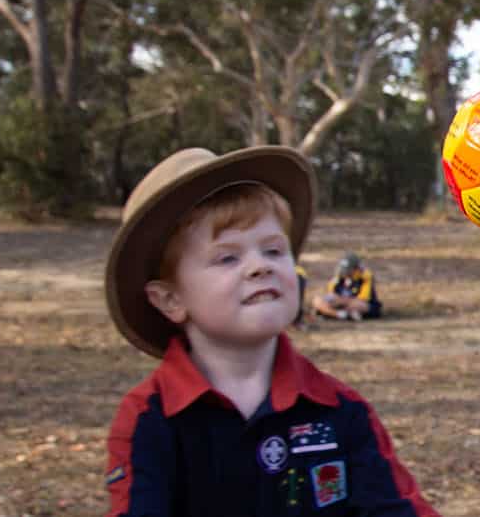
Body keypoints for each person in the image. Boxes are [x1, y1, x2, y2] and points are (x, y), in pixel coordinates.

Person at [102, 147, 434, 515]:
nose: (260, 267)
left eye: (274, 251)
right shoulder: (149, 421)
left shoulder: (341, 411)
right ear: (169, 299)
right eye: (228, 257)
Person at [313, 252, 382, 321]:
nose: (344, 272)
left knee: (356, 305)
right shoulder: (339, 277)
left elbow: (363, 299)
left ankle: (328, 313)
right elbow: (331, 294)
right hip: (341, 304)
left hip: (360, 304)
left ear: (355, 268)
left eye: (347, 270)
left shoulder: (364, 277)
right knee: (317, 300)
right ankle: (340, 315)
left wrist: (342, 300)